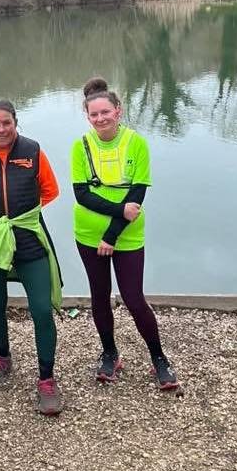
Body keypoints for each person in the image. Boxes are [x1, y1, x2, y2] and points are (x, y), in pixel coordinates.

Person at [71, 77, 179, 390]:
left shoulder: (136, 143)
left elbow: (137, 194)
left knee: (133, 298)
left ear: (118, 111)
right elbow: (82, 195)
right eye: (94, 115)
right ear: (88, 117)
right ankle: (109, 353)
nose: (101, 119)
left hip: (127, 236)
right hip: (88, 234)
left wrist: (112, 235)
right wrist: (119, 212)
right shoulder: (81, 147)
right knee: (99, 296)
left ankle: (158, 358)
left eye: (106, 112)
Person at [0, 99, 64, 416]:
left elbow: (51, 190)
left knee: (42, 309)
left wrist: (21, 217)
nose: (1, 129)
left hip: (29, 239)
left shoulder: (32, 151)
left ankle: (46, 378)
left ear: (15, 123)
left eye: (7, 123)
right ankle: (2, 356)